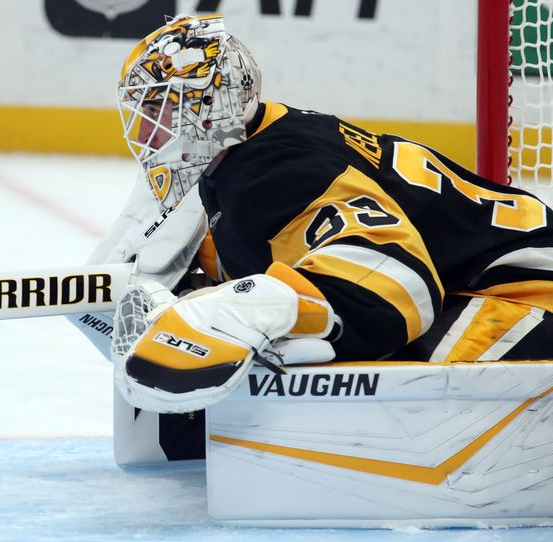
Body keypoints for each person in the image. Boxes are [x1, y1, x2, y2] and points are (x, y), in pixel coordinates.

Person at [102, 13, 553, 414]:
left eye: (159, 107)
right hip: (491, 285)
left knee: (370, 378)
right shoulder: (253, 149)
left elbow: (399, 289)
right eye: (142, 109)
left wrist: (255, 307)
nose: (145, 130)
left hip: (532, 299)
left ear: (211, 108)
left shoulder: (280, 173)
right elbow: (278, 243)